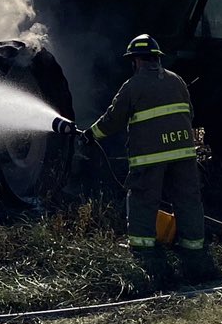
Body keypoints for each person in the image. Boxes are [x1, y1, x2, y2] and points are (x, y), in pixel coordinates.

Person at [83, 33, 214, 279]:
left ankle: (144, 254)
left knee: (143, 200)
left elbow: (113, 119)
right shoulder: (177, 81)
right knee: (188, 200)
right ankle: (194, 251)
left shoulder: (133, 86)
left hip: (150, 157)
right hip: (184, 154)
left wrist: (92, 135)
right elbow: (190, 113)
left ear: (135, 61)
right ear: (156, 58)